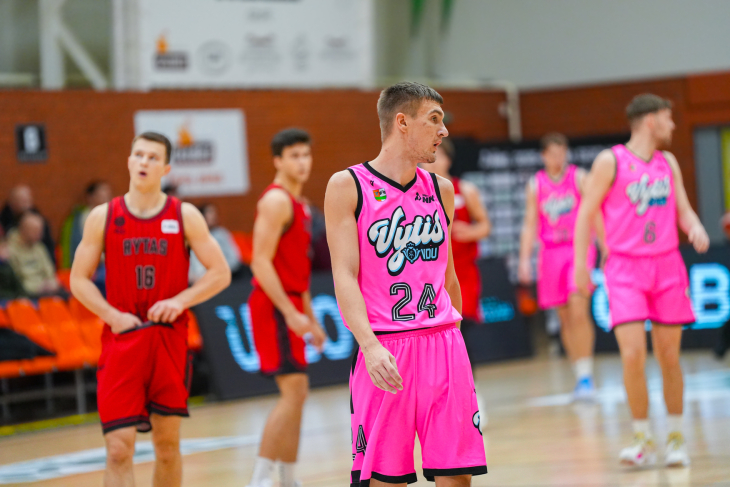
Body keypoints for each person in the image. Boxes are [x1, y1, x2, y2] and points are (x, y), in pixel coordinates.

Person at [325, 82, 487, 487]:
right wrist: (369, 345)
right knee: (385, 480)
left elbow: (448, 275)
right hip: (385, 348)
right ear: (402, 122)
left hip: (443, 344)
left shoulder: (442, 189)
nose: (443, 131)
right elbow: (344, 275)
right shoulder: (347, 185)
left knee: (457, 477)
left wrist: (456, 341)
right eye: (434, 119)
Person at [70, 132, 231, 487]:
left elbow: (220, 273)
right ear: (129, 161)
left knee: (167, 447)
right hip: (122, 340)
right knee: (118, 449)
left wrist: (180, 300)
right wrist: (112, 315)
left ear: (166, 168)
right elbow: (78, 280)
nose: (144, 162)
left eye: (153, 157)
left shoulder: (184, 215)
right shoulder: (103, 216)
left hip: (167, 341)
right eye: (139, 155)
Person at [574, 94, 709, 467]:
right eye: (668, 117)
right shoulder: (611, 161)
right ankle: (642, 439)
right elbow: (585, 214)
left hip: (667, 265)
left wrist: (695, 226)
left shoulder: (668, 162)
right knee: (632, 354)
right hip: (624, 268)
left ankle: (676, 437)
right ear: (651, 121)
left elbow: (683, 210)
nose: (673, 125)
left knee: (669, 356)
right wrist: (580, 265)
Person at [247, 128, 327, 487]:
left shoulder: (303, 206)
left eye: (306, 154)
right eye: (294, 155)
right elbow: (259, 262)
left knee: (299, 393)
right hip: (273, 304)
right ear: (277, 161)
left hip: (292, 301)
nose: (302, 162)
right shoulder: (276, 201)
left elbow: (300, 272)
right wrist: (290, 313)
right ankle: (260, 477)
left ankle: (289, 477)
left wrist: (310, 318)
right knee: (293, 391)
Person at [517, 133, 601, 400]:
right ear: (543, 156)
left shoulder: (579, 177)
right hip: (551, 252)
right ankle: (579, 373)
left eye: (562, 152)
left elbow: (595, 213)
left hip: (578, 248)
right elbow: (530, 224)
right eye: (553, 153)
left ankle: (587, 375)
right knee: (564, 317)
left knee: (578, 310)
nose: (558, 158)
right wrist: (524, 260)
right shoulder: (536, 184)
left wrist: (605, 245)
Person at [421, 138, 491, 323]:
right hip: (430, 272)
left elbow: (485, 226)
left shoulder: (465, 189)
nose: (432, 162)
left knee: (462, 320)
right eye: (428, 157)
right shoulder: (415, 194)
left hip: (462, 270)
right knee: (435, 324)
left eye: (438, 156)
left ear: (448, 160)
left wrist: (471, 231)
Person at [59, 181, 113, 269]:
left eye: (108, 196)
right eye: (102, 196)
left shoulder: (111, 215)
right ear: (90, 198)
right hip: (93, 265)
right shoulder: (87, 217)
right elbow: (90, 249)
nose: (106, 199)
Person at [7, 212, 61, 297]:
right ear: (24, 230)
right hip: (26, 293)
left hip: (46, 288)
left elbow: (49, 271)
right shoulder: (10, 249)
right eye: (35, 231)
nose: (40, 235)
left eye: (41, 230)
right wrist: (37, 287)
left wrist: (52, 283)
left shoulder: (39, 247)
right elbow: (17, 279)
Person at [0, 185, 56, 264]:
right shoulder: (4, 222)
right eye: (21, 200)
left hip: (35, 259)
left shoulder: (40, 221)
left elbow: (48, 246)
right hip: (16, 259)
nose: (25, 205)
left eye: (26, 200)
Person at [189, 203, 242, 283]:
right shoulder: (193, 237)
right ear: (202, 216)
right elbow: (191, 266)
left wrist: (220, 271)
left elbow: (235, 258)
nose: (213, 216)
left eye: (215, 213)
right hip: (200, 280)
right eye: (210, 213)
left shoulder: (222, 234)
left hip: (225, 277)